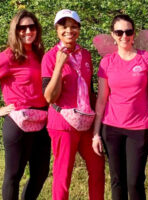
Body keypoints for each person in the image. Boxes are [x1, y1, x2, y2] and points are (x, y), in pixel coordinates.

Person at [92, 14, 148, 200]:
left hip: (140, 128)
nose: (124, 36)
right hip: (111, 128)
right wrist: (96, 133)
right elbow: (101, 99)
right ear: (112, 34)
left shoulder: (147, 59)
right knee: (117, 180)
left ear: (134, 33)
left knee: (135, 181)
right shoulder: (106, 62)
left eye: (128, 31)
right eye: (119, 32)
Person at [42, 9, 104, 200]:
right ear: (56, 30)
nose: (69, 30)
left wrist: (97, 127)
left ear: (79, 29)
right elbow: (49, 98)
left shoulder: (85, 55)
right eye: (64, 26)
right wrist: (60, 65)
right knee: (63, 177)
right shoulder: (50, 56)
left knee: (98, 170)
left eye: (74, 26)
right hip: (62, 124)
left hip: (87, 122)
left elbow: (91, 90)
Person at [0, 10, 51, 200]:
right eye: (22, 27)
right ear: (15, 30)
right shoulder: (7, 56)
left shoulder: (40, 55)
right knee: (13, 176)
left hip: (43, 120)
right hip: (18, 122)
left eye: (32, 27)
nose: (28, 31)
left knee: (40, 173)